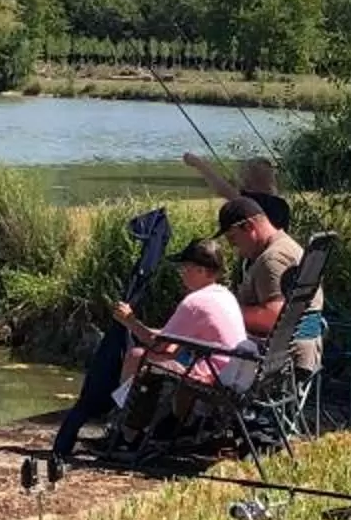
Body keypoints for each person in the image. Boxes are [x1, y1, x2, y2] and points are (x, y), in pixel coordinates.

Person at [108, 239, 246, 401]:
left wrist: (129, 321)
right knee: (162, 355)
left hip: (212, 377)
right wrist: (141, 327)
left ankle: (122, 411)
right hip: (231, 373)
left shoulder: (195, 302)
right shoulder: (224, 295)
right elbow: (169, 338)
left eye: (185, 267)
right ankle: (136, 410)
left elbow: (158, 344)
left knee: (136, 355)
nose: (181, 272)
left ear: (201, 270)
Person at [218, 194, 319, 376]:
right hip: (301, 352)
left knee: (200, 356)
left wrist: (226, 309)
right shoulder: (289, 246)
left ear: (249, 227)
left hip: (275, 362)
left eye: (234, 240)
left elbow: (272, 317)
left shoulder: (272, 259)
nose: (235, 248)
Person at [184, 151, 291, 233]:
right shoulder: (281, 205)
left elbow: (223, 189)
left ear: (249, 181)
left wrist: (198, 163)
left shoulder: (252, 202)